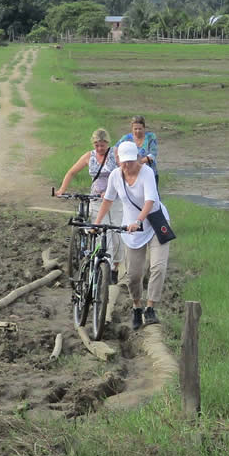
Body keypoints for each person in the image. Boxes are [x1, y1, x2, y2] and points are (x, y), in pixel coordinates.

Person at [92, 141, 169, 330]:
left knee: (157, 266)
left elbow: (150, 200)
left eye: (130, 161)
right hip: (131, 230)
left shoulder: (146, 173)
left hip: (154, 224)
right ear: (118, 161)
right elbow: (108, 200)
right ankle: (137, 307)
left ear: (137, 159)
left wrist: (140, 221)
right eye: (123, 162)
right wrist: (97, 222)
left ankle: (150, 308)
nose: (127, 166)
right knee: (134, 275)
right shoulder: (116, 177)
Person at [57, 128, 124, 287]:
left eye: (102, 145)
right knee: (99, 232)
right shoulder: (89, 156)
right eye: (96, 145)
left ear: (108, 143)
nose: (99, 149)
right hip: (96, 199)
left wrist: (114, 190)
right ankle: (101, 266)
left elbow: (125, 173)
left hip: (115, 200)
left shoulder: (115, 154)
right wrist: (62, 190)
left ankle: (115, 267)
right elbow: (71, 172)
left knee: (116, 234)